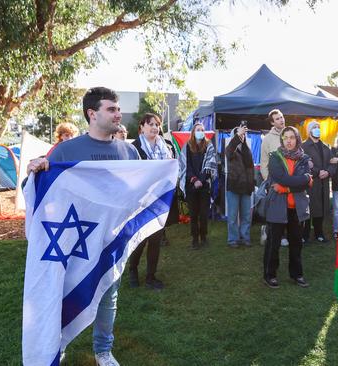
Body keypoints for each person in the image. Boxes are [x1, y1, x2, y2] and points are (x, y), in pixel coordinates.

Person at [27, 87, 140, 366]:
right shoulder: (67, 149)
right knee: (62, 291)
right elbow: (42, 191)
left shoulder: (130, 152)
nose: (118, 114)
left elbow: (137, 193)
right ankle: (58, 344)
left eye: (118, 109)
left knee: (107, 295)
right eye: (111, 109)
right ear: (92, 113)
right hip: (73, 239)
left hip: (111, 239)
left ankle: (103, 350)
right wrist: (36, 168)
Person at [128, 113, 174, 290]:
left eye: (157, 124)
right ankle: (132, 270)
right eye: (150, 124)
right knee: (141, 238)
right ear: (142, 127)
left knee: (155, 238)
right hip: (141, 200)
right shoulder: (134, 148)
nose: (154, 127)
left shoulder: (166, 146)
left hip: (160, 198)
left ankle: (150, 277)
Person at [263, 126, 312, 289]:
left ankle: (297, 274)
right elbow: (281, 178)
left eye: (292, 137)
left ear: (297, 139)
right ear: (282, 139)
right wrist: (301, 181)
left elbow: (302, 181)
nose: (289, 140)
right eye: (286, 137)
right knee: (273, 242)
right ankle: (270, 274)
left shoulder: (304, 158)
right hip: (278, 206)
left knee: (296, 243)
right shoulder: (275, 157)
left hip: (297, 208)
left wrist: (287, 188)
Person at [179, 123, 217, 249]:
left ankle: (204, 238)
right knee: (193, 214)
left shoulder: (209, 146)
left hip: (204, 185)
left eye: (202, 130)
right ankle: (195, 240)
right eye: (198, 130)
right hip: (191, 185)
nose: (201, 131)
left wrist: (201, 180)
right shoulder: (187, 146)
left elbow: (210, 165)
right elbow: (185, 166)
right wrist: (194, 179)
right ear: (193, 131)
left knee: (204, 214)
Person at [302, 120, 335, 243]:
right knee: (309, 208)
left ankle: (319, 233)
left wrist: (328, 172)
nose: (317, 129)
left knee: (320, 209)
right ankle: (304, 235)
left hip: (323, 183)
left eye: (319, 127)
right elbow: (303, 163)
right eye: (315, 127)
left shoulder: (325, 146)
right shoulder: (304, 146)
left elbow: (332, 163)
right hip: (310, 183)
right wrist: (317, 172)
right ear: (309, 131)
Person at [259, 109, 288, 246]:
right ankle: (278, 235)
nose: (281, 120)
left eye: (281, 117)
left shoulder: (290, 134)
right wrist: (267, 180)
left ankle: (287, 234)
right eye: (277, 119)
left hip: (290, 178)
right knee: (277, 209)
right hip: (274, 180)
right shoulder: (267, 139)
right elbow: (263, 161)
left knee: (289, 207)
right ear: (272, 122)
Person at [225, 123, 255, 248]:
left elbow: (250, 167)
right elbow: (228, 152)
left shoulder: (247, 148)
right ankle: (233, 239)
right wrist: (238, 135)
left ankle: (245, 237)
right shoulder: (230, 148)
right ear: (235, 135)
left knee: (246, 215)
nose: (243, 136)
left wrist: (252, 183)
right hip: (234, 186)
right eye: (240, 134)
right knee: (232, 216)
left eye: (244, 134)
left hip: (246, 186)